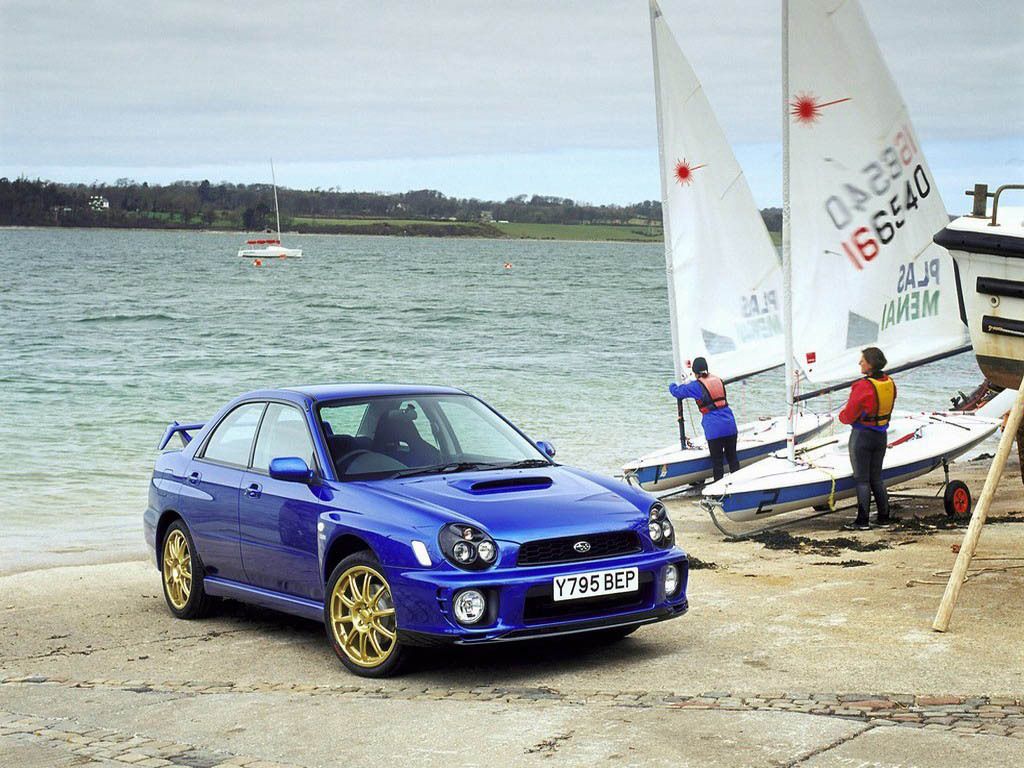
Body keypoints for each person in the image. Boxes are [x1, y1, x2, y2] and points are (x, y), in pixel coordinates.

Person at [838, 346, 896, 531]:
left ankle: (862, 521)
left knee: (862, 479)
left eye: (862, 360)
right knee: (876, 478)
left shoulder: (862, 386)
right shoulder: (889, 382)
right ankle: (884, 516)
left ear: (870, 365)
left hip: (862, 437)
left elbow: (848, 416)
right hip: (881, 435)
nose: (859, 363)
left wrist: (841, 417)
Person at [669, 357, 739, 481]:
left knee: (717, 464)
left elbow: (677, 392)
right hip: (730, 425)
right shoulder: (718, 380)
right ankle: (738, 486)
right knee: (733, 459)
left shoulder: (696, 386)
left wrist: (672, 384)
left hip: (715, 429)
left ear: (695, 372)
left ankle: (718, 493)